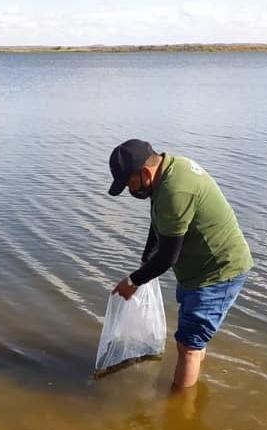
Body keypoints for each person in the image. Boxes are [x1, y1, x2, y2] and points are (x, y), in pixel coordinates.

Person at [106, 139, 252, 389]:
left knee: (188, 347)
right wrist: (145, 258)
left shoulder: (175, 192)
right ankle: (189, 395)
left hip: (217, 272)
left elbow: (167, 258)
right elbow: (158, 221)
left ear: (144, 172)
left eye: (130, 183)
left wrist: (133, 281)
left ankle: (179, 409)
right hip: (197, 272)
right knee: (192, 341)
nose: (131, 191)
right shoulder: (168, 172)